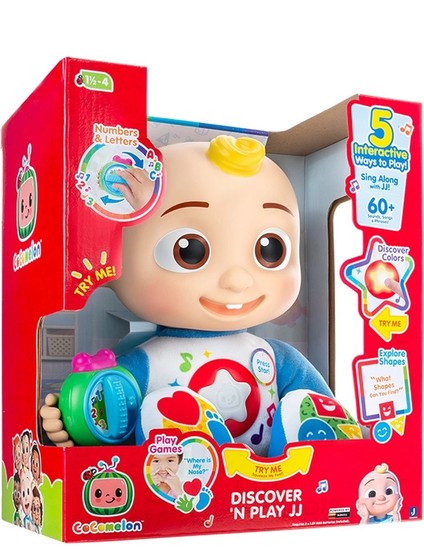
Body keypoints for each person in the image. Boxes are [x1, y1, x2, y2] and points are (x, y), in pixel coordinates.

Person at [41, 135, 361, 457]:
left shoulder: (277, 358)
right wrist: (71, 425)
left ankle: (328, 466)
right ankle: (202, 460)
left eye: (270, 250)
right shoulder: (144, 365)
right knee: (164, 408)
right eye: (189, 251)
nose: (237, 280)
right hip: (191, 482)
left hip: (284, 478)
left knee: (307, 407)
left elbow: (327, 407)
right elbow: (109, 422)